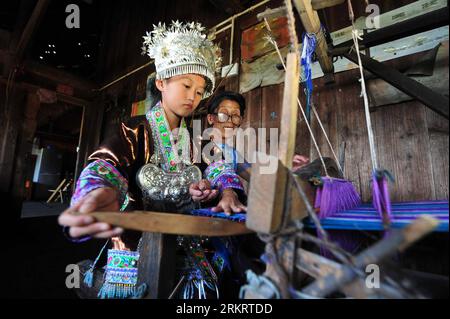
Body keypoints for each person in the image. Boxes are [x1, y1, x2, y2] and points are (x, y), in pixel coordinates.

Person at [58, 21, 245, 299]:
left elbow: (218, 167)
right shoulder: (134, 130)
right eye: (186, 85)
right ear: (161, 82)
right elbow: (105, 166)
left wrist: (225, 191)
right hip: (137, 246)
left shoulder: (196, 138)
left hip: (188, 243)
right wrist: (100, 192)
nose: (192, 96)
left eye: (199, 90)